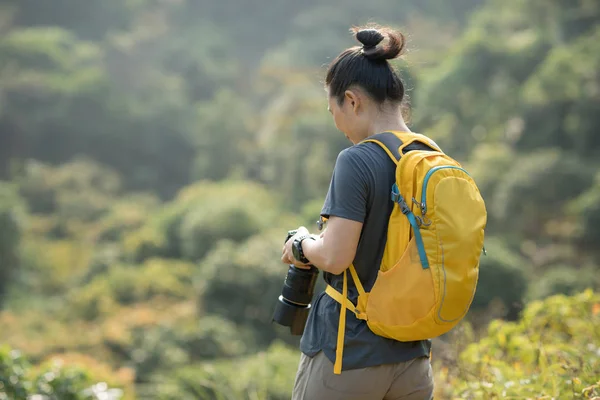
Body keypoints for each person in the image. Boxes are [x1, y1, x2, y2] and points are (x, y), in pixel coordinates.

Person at [281, 25, 434, 400]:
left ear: (351, 101)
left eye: (332, 109)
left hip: (349, 358)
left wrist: (302, 244)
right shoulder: (429, 158)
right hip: (414, 359)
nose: (336, 123)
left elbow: (335, 256)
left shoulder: (357, 159)